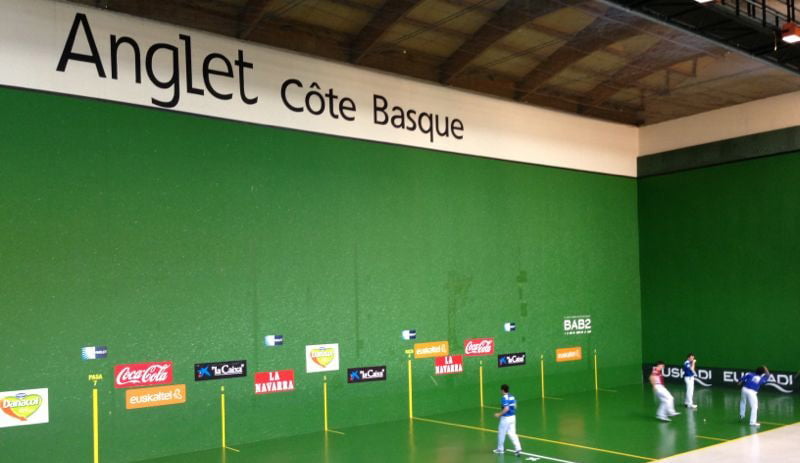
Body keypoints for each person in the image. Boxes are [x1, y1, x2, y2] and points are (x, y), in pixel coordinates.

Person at [493, 384, 522, 456]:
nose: (500, 391)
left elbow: (506, 408)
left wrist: (499, 414)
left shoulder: (504, 398)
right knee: (512, 433)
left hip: (505, 418)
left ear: (503, 390)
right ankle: (518, 448)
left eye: (501, 390)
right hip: (513, 417)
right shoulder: (512, 397)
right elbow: (515, 406)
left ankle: (500, 449)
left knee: (501, 433)